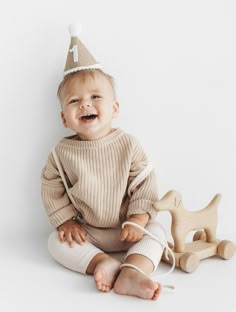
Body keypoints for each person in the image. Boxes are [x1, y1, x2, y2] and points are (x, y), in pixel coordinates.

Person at [41, 24, 167, 301]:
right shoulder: (62, 152)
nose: (85, 105)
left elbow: (145, 183)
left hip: (128, 227)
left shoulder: (128, 144)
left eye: (95, 97)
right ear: (64, 118)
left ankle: (134, 271)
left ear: (114, 108)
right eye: (74, 101)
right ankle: (102, 263)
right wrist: (64, 222)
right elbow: (51, 187)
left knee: (158, 230)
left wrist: (137, 218)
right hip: (91, 232)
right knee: (55, 242)